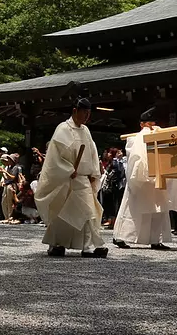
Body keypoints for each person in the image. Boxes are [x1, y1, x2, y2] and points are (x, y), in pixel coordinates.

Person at [114, 107, 177, 250]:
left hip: (157, 177)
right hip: (141, 178)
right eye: (148, 124)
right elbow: (134, 158)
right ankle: (121, 237)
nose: (151, 126)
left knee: (159, 209)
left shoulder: (160, 135)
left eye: (152, 123)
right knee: (132, 208)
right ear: (141, 124)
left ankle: (155, 239)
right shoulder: (134, 138)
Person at [34, 97, 107, 258]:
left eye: (89, 113)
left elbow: (93, 154)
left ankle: (88, 247)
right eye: (84, 113)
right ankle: (58, 244)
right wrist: (67, 169)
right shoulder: (62, 129)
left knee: (89, 212)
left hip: (83, 179)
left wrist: (93, 173)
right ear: (75, 111)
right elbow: (54, 157)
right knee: (63, 214)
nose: (87, 116)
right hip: (67, 179)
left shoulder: (86, 131)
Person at [0, 154, 22, 224]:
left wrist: (5, 171)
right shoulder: (9, 167)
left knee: (10, 201)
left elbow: (12, 177)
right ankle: (6, 217)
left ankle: (10, 217)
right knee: (4, 201)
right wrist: (2, 173)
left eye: (9, 159)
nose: (8, 160)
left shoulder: (16, 167)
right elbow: (7, 178)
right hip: (7, 184)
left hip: (12, 185)